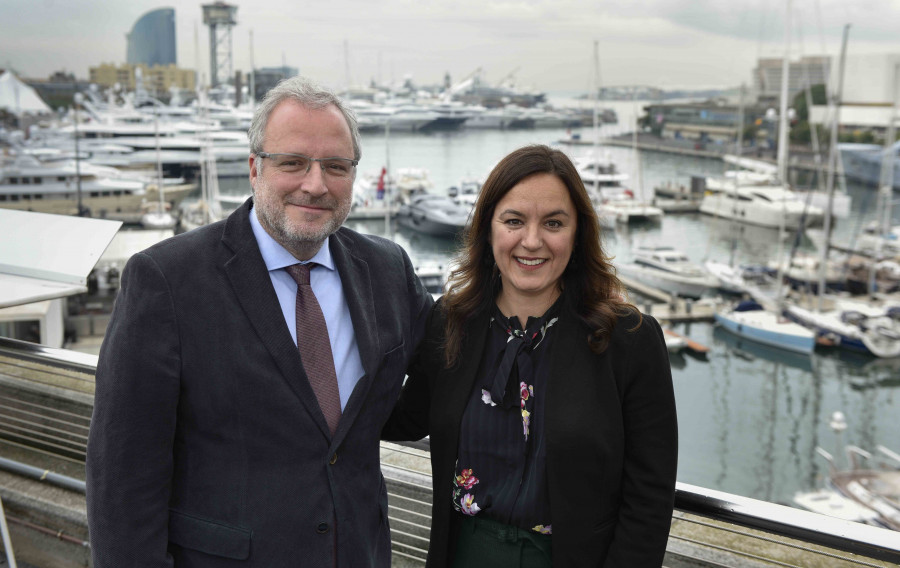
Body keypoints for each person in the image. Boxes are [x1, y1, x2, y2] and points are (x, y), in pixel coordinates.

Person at [87, 76, 433, 567]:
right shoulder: (166, 281)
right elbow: (123, 480)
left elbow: (442, 366)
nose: (315, 185)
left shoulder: (387, 269)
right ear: (254, 168)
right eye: (292, 163)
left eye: (335, 166)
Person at [383, 144, 678, 567]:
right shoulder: (452, 322)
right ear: (488, 229)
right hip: (464, 554)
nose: (532, 240)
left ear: (578, 235)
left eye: (554, 223)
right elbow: (401, 416)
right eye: (514, 221)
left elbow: (650, 494)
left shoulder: (628, 339)